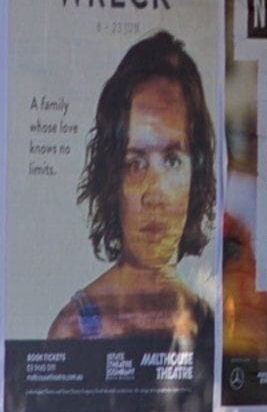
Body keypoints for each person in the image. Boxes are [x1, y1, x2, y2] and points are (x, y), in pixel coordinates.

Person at [47, 31, 216, 347]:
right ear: (113, 177)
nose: (154, 195)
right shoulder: (73, 330)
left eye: (172, 161)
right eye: (135, 163)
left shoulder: (208, 328)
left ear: (197, 172)